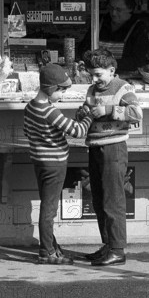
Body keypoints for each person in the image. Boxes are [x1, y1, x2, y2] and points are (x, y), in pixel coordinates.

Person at [76, 48, 143, 266]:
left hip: (114, 148)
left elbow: (136, 114)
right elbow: (87, 109)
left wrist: (107, 110)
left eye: (98, 75)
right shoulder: (91, 89)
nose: (94, 79)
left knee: (113, 199)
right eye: (91, 75)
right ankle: (107, 245)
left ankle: (117, 249)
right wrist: (82, 112)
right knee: (99, 198)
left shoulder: (124, 88)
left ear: (111, 70)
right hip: (95, 146)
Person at [23, 63, 93, 264]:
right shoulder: (50, 111)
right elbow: (79, 132)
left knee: (46, 205)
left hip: (39, 162)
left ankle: (52, 246)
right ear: (51, 88)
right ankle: (47, 252)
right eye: (61, 91)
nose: (62, 95)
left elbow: (29, 132)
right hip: (55, 164)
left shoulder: (30, 107)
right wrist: (88, 117)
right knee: (49, 210)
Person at [78, 0, 149, 73]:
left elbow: (138, 61)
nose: (114, 13)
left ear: (130, 9)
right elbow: (83, 48)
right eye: (111, 8)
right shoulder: (100, 22)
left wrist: (106, 63)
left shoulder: (138, 28)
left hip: (124, 76)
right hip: (97, 74)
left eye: (119, 10)